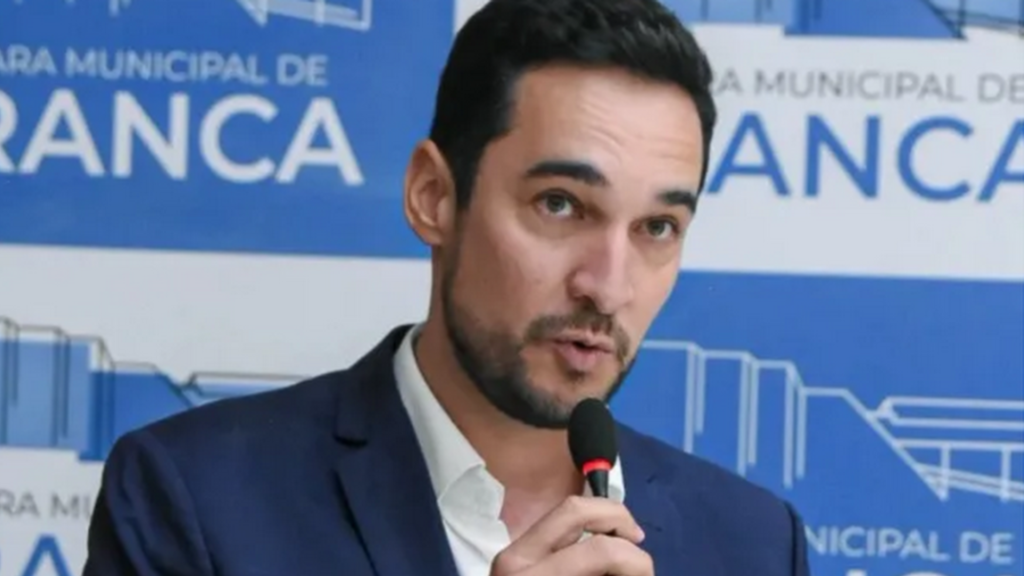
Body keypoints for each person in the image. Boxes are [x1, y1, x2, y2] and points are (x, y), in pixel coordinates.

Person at [83, 0, 812, 574]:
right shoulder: (196, 496)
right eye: (561, 204)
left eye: (657, 227)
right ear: (433, 196)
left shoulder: (752, 543)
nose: (607, 286)